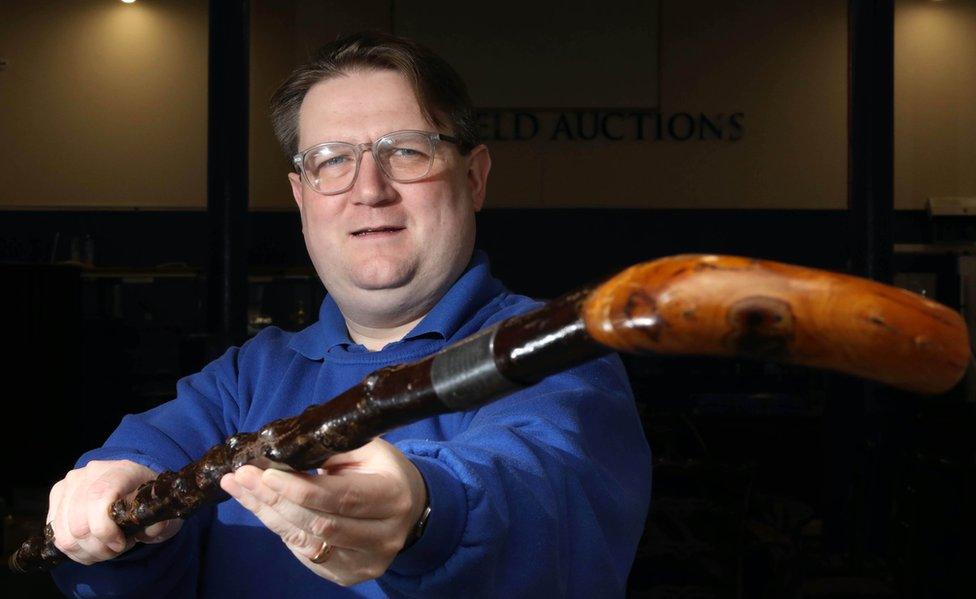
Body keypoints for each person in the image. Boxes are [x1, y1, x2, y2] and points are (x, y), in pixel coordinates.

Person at [48, 32, 651, 597]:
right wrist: (108, 520)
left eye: (408, 151)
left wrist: (428, 512)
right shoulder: (244, 381)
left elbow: (541, 495)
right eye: (331, 161)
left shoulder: (551, 351)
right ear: (300, 197)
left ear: (473, 178)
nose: (369, 189)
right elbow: (149, 473)